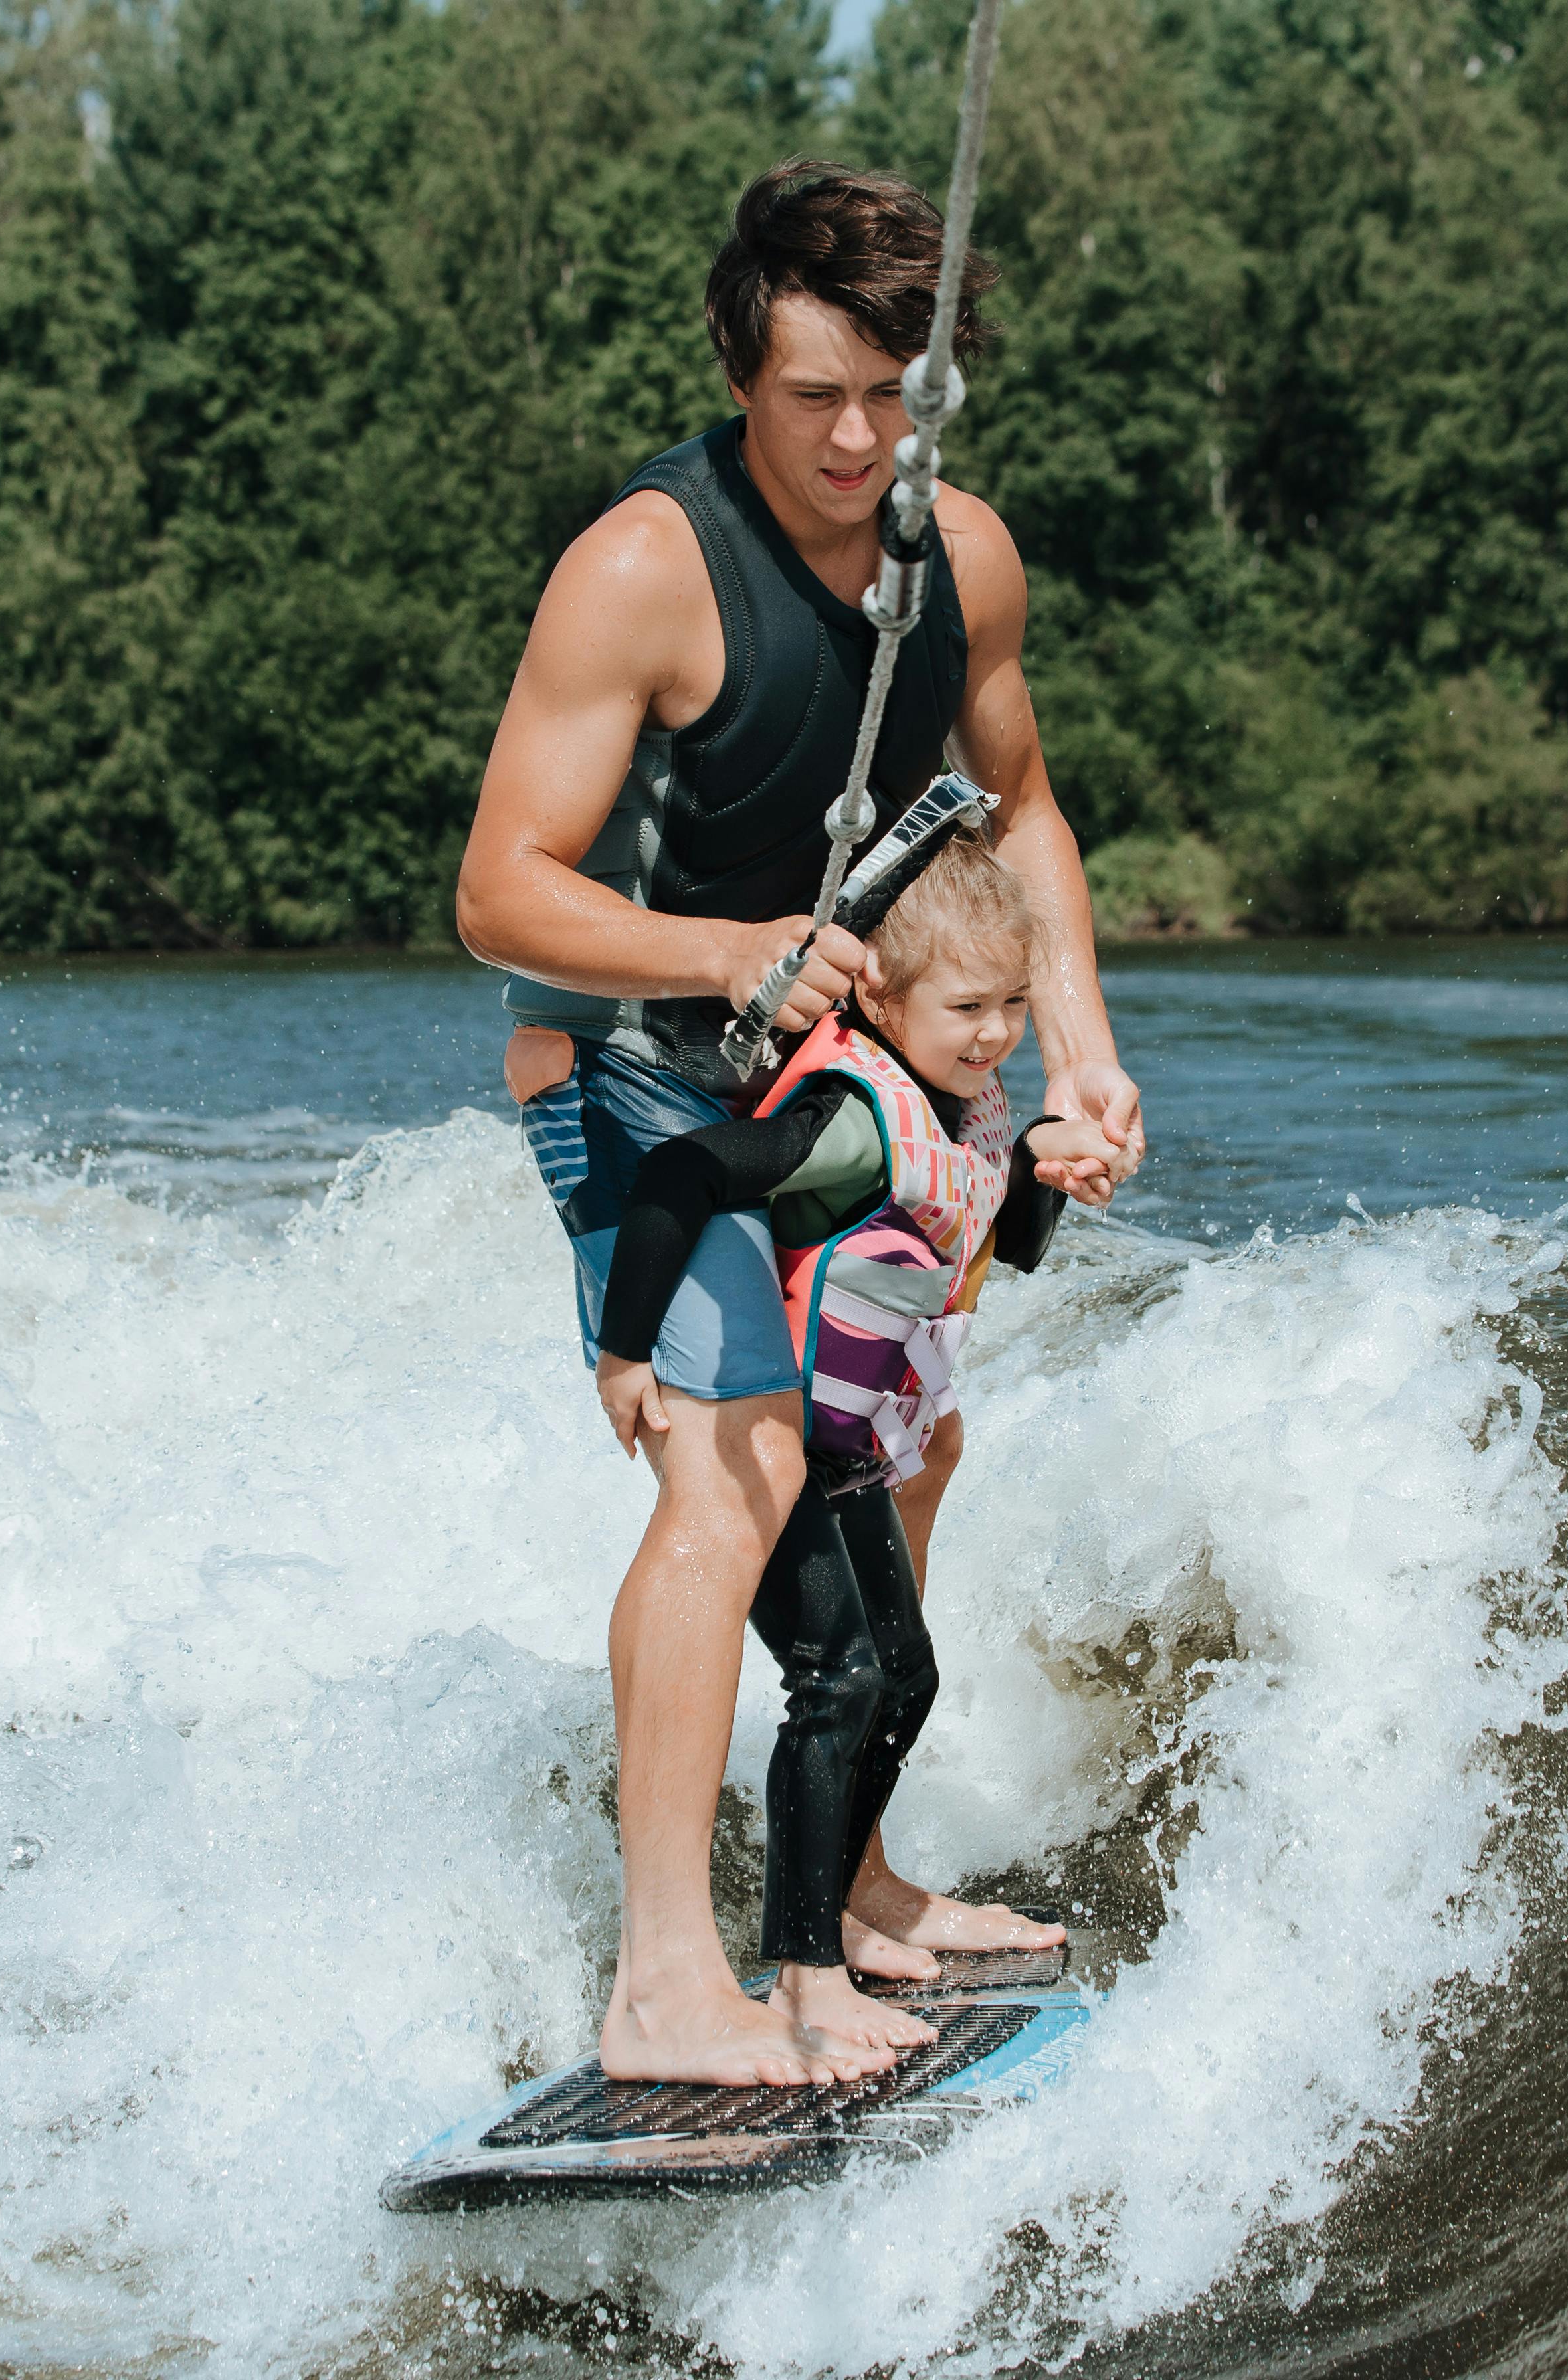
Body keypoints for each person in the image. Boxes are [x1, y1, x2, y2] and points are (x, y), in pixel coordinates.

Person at [455, 157, 1147, 2088]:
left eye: (892, 395)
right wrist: (726, 943)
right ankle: (666, 1967)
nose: (856, 440)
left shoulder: (967, 559)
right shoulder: (642, 570)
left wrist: (1079, 1052)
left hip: (836, 1083)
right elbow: (499, 889)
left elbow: (1021, 815)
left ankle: (847, 1881)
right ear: (741, 375)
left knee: (901, 1432)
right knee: (735, 1472)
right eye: (810, 397)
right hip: (632, 1079)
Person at [589, 837, 1124, 2058]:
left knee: (904, 1676)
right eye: (966, 1008)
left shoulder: (964, 1103)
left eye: (1011, 1007)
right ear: (879, 994)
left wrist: (1050, 1167)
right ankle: (803, 1973)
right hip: (784, 1451)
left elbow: (1005, 1234)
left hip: (854, 1453)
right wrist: (628, 1355)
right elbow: (678, 1174)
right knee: (841, 1682)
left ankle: (840, 1908)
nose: (995, 1035)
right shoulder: (850, 1116)